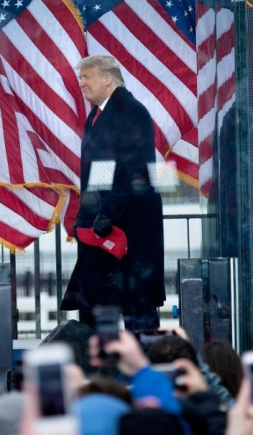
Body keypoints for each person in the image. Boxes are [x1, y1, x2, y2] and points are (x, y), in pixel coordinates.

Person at [60, 55, 165, 331]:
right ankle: (98, 371)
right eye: (80, 77)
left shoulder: (132, 112)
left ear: (108, 79)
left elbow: (135, 170)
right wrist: (87, 214)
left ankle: (143, 371)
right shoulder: (97, 114)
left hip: (130, 228)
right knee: (95, 308)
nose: (81, 83)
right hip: (100, 227)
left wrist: (107, 213)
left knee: (136, 312)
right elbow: (103, 170)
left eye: (87, 76)